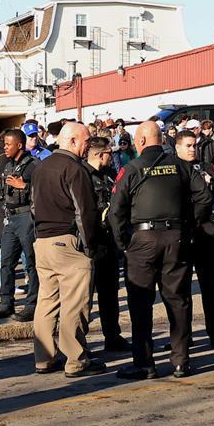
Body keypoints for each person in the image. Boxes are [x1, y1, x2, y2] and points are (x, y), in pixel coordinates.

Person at [109, 121, 211, 379]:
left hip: (142, 241)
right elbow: (204, 197)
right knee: (178, 300)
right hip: (176, 238)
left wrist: (124, 244)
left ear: (140, 141)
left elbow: (116, 211)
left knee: (141, 303)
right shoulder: (180, 166)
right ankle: (180, 361)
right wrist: (187, 227)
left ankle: (144, 362)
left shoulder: (132, 169)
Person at [29, 123, 106, 377]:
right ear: (72, 141)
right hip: (68, 241)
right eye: (85, 141)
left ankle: (44, 357)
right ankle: (76, 359)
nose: (87, 147)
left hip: (43, 241)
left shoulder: (41, 167)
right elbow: (84, 212)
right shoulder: (74, 168)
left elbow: (32, 206)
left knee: (47, 301)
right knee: (75, 303)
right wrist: (90, 247)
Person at [174, 129, 214, 347]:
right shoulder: (172, 169)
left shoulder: (207, 167)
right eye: (187, 145)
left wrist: (211, 183)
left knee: (210, 287)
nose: (192, 149)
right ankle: (182, 337)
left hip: (206, 232)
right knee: (180, 290)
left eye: (194, 145)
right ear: (177, 147)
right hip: (183, 233)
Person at [84, 137, 130, 352]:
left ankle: (112, 335)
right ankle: (79, 341)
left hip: (109, 241)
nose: (112, 157)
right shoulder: (82, 175)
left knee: (109, 293)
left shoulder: (111, 175)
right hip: (90, 242)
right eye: (109, 153)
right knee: (84, 297)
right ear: (101, 154)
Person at [0, 128, 39, 321]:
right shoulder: (6, 164)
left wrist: (24, 186)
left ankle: (32, 304)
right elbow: (1, 193)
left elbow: (42, 189)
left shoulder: (33, 165)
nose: (5, 147)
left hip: (26, 216)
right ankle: (6, 303)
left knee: (31, 262)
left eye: (8, 144)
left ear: (19, 144)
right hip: (10, 216)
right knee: (7, 262)